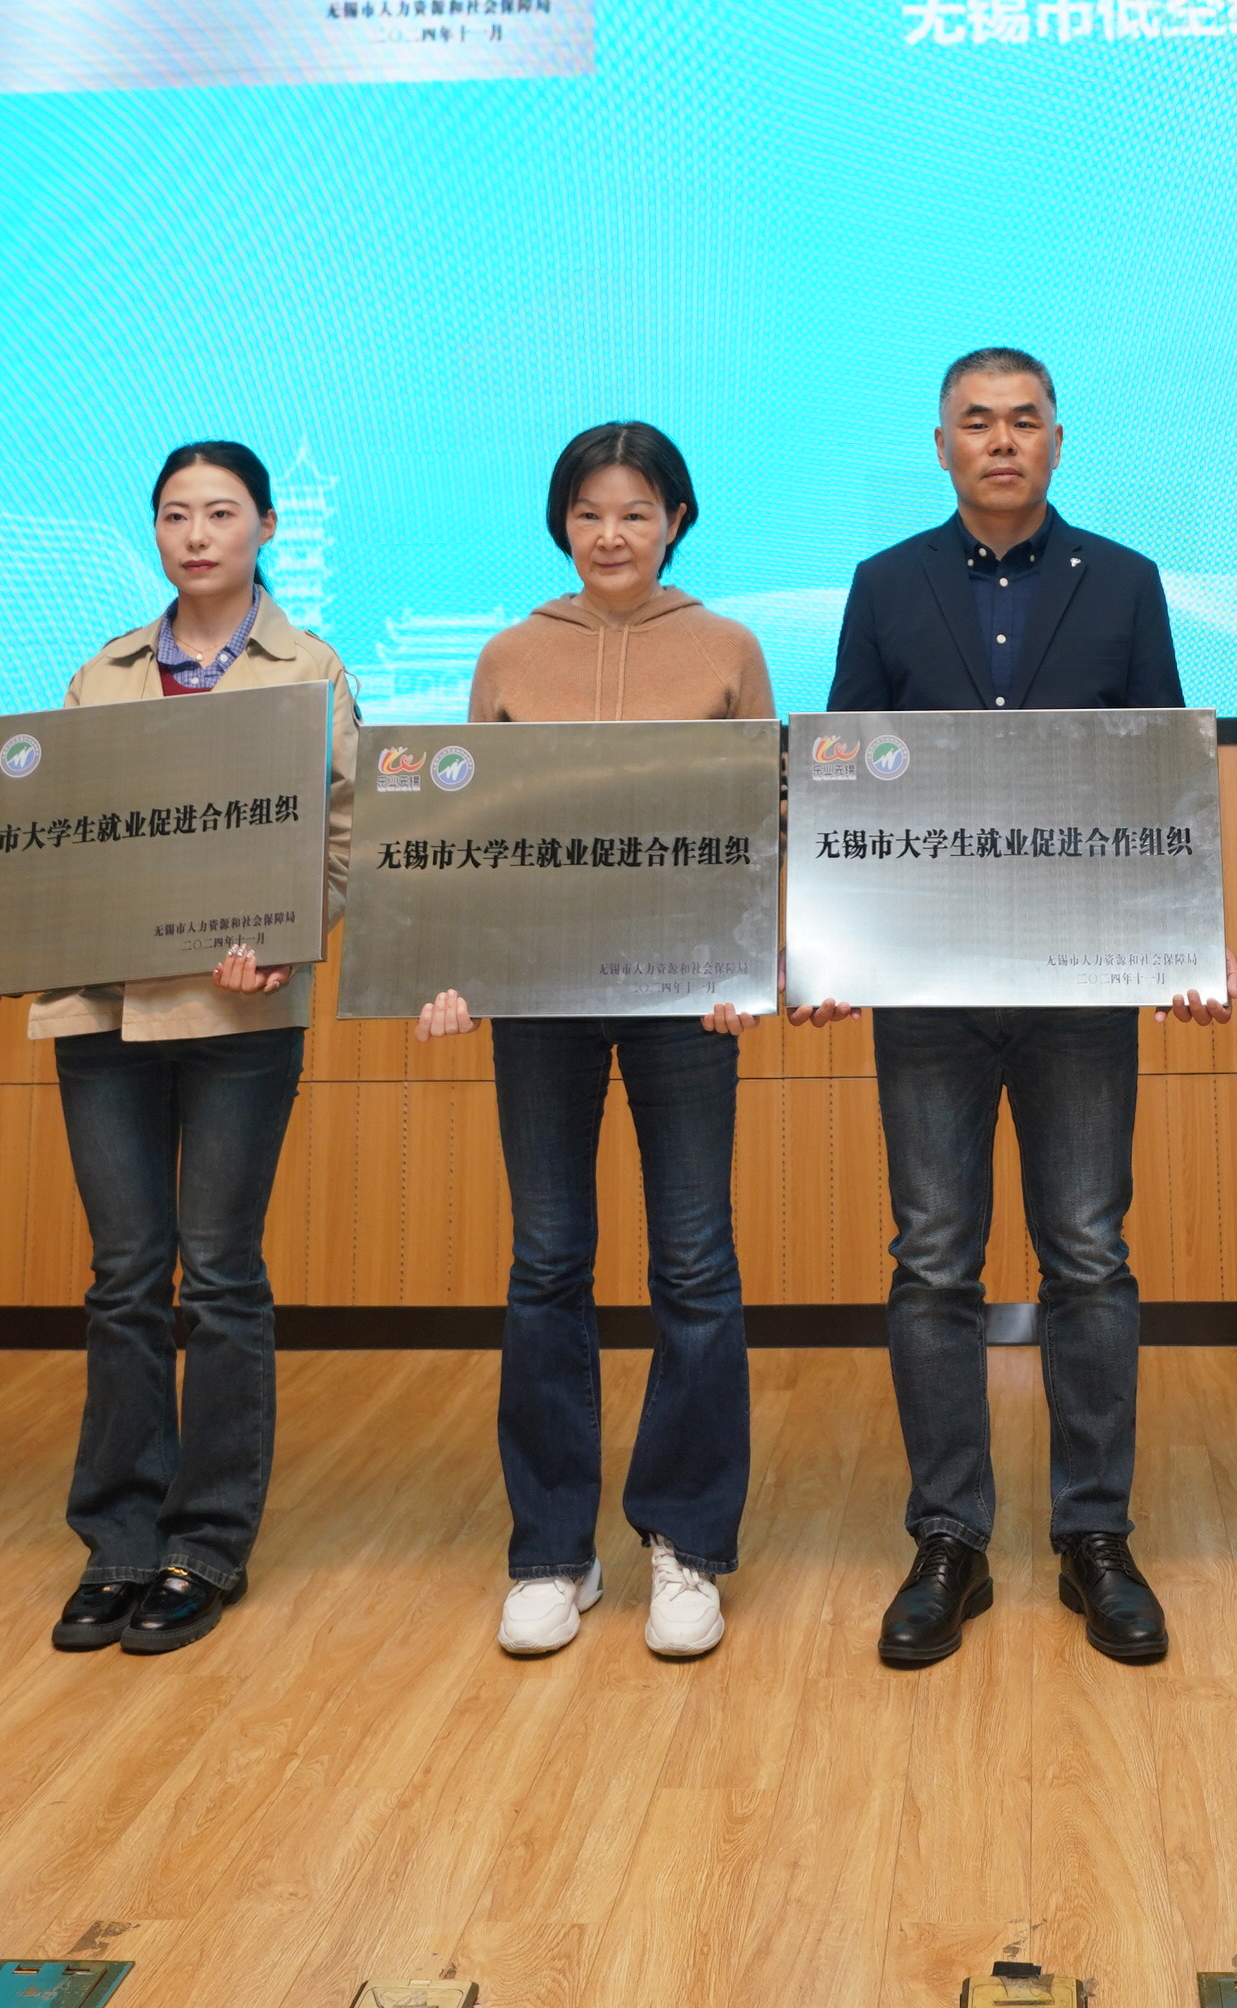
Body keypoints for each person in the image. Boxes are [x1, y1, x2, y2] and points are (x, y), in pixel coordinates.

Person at [817, 346, 1227, 1672]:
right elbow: (845, 773)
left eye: (1023, 421)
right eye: (976, 422)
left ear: (1058, 440)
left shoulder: (1125, 581)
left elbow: (1161, 773)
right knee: (935, 1258)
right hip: (927, 987)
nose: (1001, 441)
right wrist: (830, 951)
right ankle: (948, 1537)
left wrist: (1182, 943)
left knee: (1088, 1255)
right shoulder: (887, 583)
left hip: (1080, 980)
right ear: (941, 444)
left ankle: (1093, 1534)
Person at [412, 420, 806, 1665]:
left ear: (675, 520)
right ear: (560, 524)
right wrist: (449, 972)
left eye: (635, 510)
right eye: (588, 512)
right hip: (539, 1003)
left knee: (693, 1264)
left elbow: (766, 825)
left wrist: (751, 965)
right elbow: (467, 838)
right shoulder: (510, 654)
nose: (611, 534)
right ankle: (550, 1551)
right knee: (546, 1263)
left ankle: (686, 1542)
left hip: (686, 1000)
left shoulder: (727, 647)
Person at [0, 441, 355, 1661]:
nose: (196, 535)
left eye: (221, 513)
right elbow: (54, 837)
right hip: (101, 1011)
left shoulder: (311, 669)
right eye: (175, 514)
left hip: (239, 1013)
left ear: (266, 527)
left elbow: (343, 837)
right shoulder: (101, 673)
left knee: (220, 1274)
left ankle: (208, 1541)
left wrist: (289, 935)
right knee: (125, 1276)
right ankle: (119, 1540)